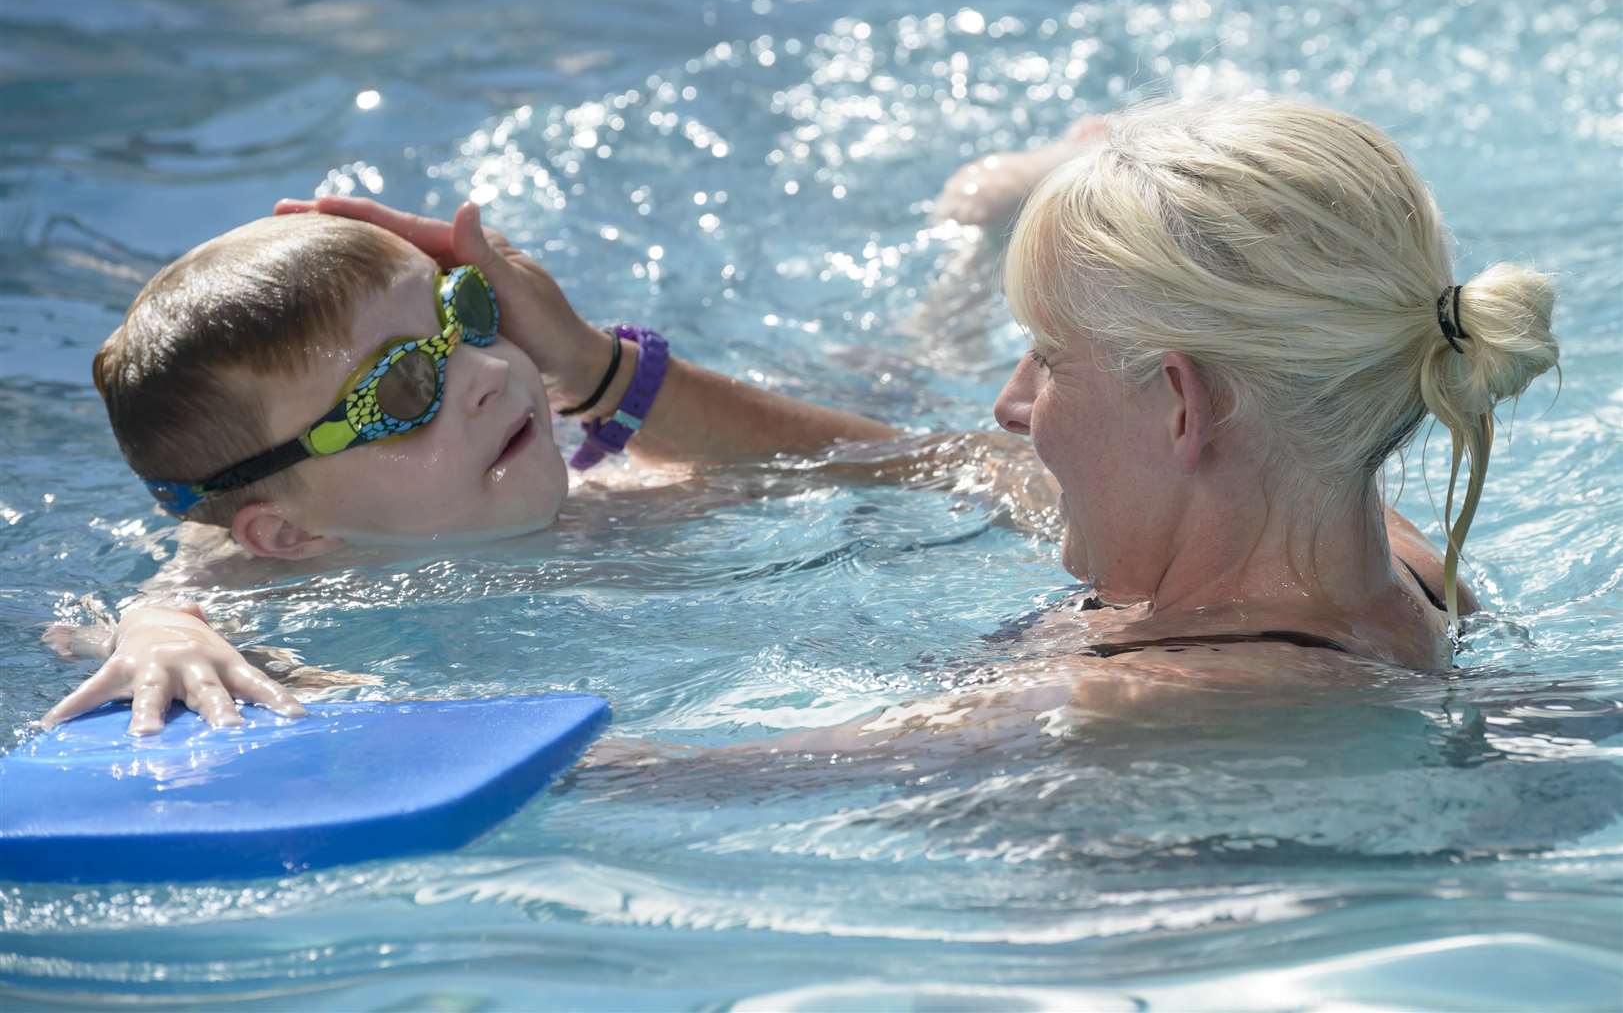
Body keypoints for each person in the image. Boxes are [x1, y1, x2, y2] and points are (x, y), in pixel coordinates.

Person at [46, 97, 1559, 739]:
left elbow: (664, 779)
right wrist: (593, 369)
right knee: (898, 379)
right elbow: (914, 458)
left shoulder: (1182, 693)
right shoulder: (1349, 515)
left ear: (1179, 402)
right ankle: (996, 229)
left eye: (1044, 358)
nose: (1010, 406)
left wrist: (330, 708)